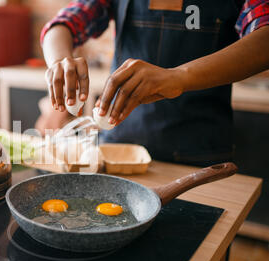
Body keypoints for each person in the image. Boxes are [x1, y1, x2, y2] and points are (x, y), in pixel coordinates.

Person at [41, 0, 269, 166]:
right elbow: (65, 22)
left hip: (200, 157)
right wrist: (59, 62)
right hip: (118, 151)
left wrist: (179, 77)